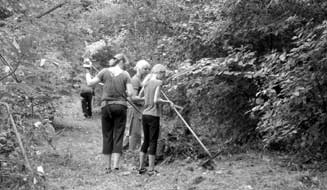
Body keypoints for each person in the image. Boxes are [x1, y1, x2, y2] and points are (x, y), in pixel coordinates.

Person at [84, 53, 134, 173]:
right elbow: (131, 93)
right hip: (120, 106)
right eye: (125, 63)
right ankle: (116, 166)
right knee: (118, 135)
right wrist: (124, 93)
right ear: (121, 62)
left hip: (106, 106)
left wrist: (87, 72)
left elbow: (90, 83)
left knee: (107, 135)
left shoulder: (104, 71)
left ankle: (107, 167)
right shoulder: (126, 74)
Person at [137, 64, 174, 176]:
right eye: (164, 74)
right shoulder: (158, 83)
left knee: (146, 140)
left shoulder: (146, 82)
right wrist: (168, 102)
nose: (164, 77)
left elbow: (140, 96)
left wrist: (147, 99)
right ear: (160, 72)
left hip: (145, 114)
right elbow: (156, 100)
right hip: (154, 115)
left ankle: (141, 167)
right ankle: (151, 169)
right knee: (153, 141)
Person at [124, 60, 151, 151]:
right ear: (139, 69)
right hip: (134, 108)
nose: (147, 70)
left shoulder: (142, 80)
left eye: (148, 69)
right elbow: (133, 98)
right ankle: (129, 150)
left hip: (140, 108)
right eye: (145, 68)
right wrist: (146, 98)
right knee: (133, 130)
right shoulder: (135, 80)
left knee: (138, 130)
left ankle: (132, 149)